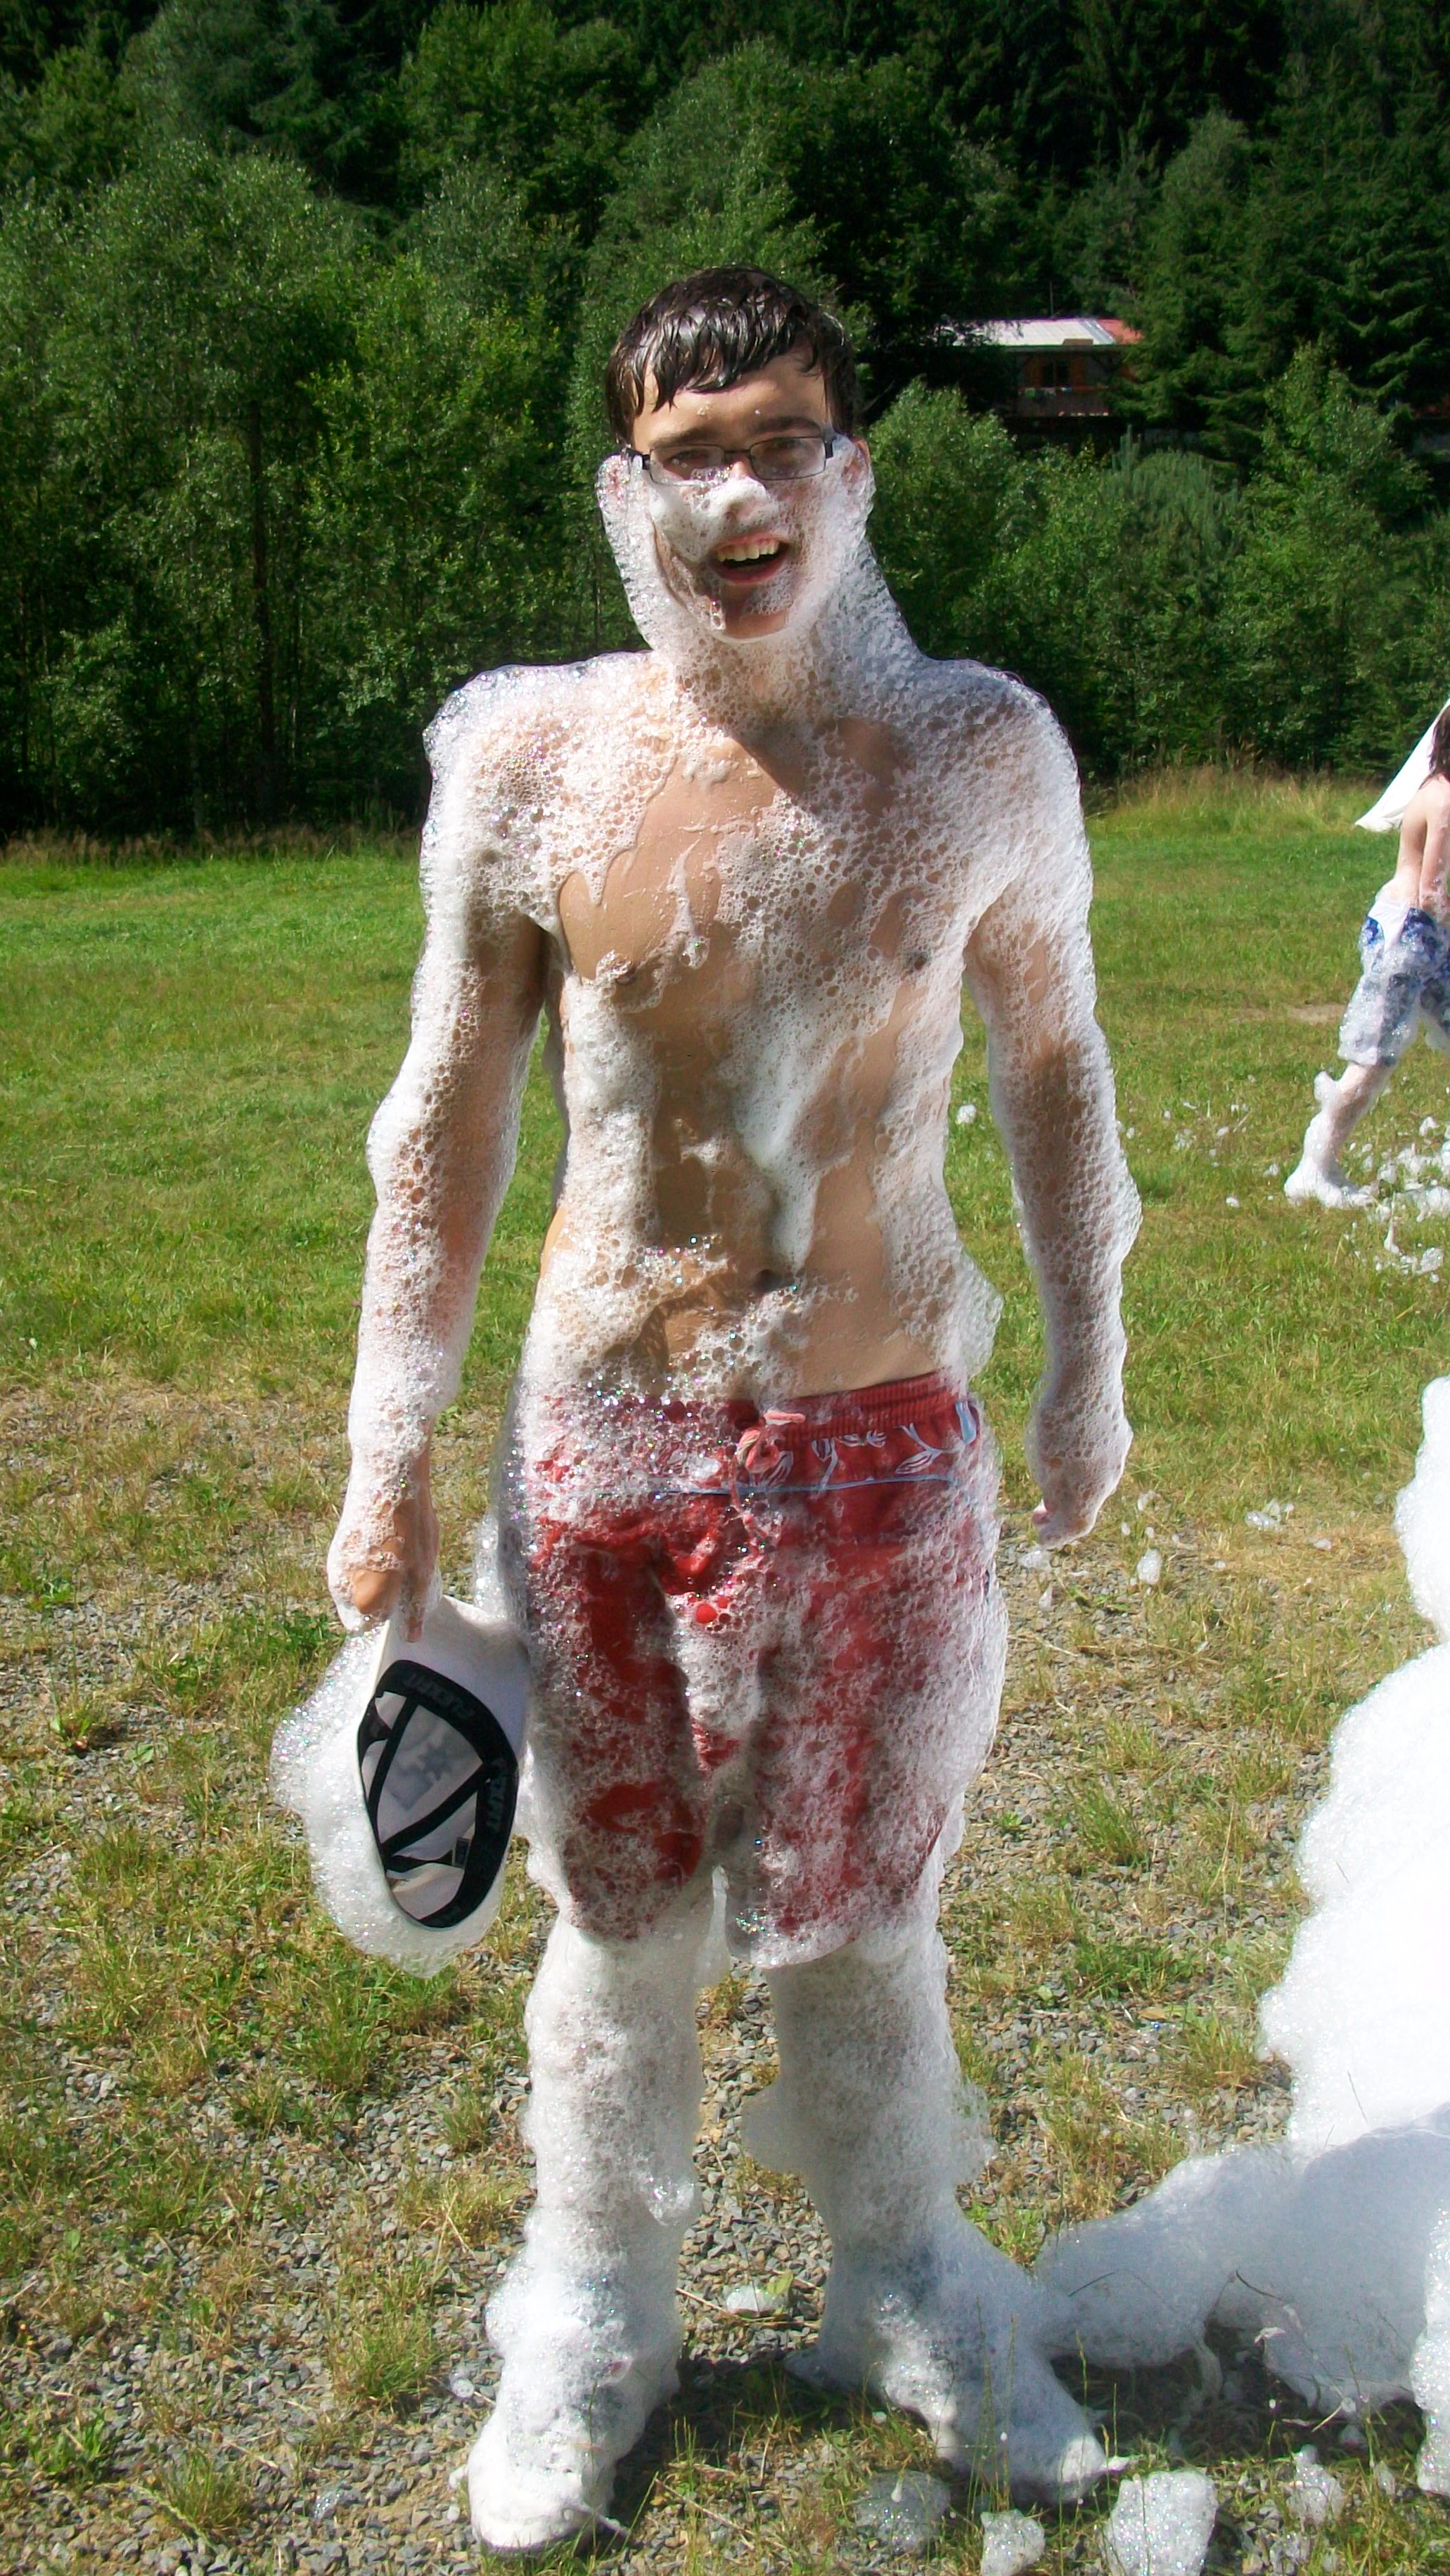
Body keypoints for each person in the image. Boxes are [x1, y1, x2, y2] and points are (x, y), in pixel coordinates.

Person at [325, 266, 1139, 2551]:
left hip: (879, 1443)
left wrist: (1086, 1355)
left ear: (846, 475)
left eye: (779, 442)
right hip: (604, 1436)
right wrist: (388, 1449)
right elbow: (443, 1120)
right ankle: (594, 2307)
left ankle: (905, 2282)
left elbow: (1056, 1066)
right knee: (619, 1916)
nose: (737, 493)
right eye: (688, 456)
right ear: (630, 499)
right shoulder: (535, 765)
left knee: (865, 1914)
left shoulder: (973, 754)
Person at [1286, 708, 1450, 1206]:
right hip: (1406, 939)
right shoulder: (1444, 799)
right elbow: (1432, 892)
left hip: (1419, 936)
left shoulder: (1434, 787)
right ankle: (1313, 1169)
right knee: (1372, 1062)